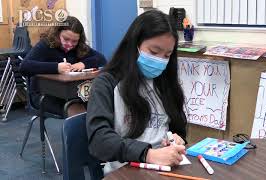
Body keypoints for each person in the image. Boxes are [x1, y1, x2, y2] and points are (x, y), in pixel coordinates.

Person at [86, 10, 188, 174]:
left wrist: (175, 139)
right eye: (154, 52)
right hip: (126, 169)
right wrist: (148, 154)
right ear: (134, 45)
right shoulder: (107, 83)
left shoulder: (165, 83)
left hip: (164, 168)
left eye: (167, 55)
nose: (160, 61)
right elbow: (99, 141)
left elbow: (178, 129)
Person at [20, 16, 106, 116]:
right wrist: (56, 67)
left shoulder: (79, 47)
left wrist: (83, 64)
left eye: (74, 41)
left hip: (71, 94)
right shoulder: (46, 45)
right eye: (65, 39)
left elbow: (101, 59)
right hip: (44, 95)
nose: (69, 45)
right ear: (57, 34)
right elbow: (24, 66)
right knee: (78, 111)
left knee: (99, 105)